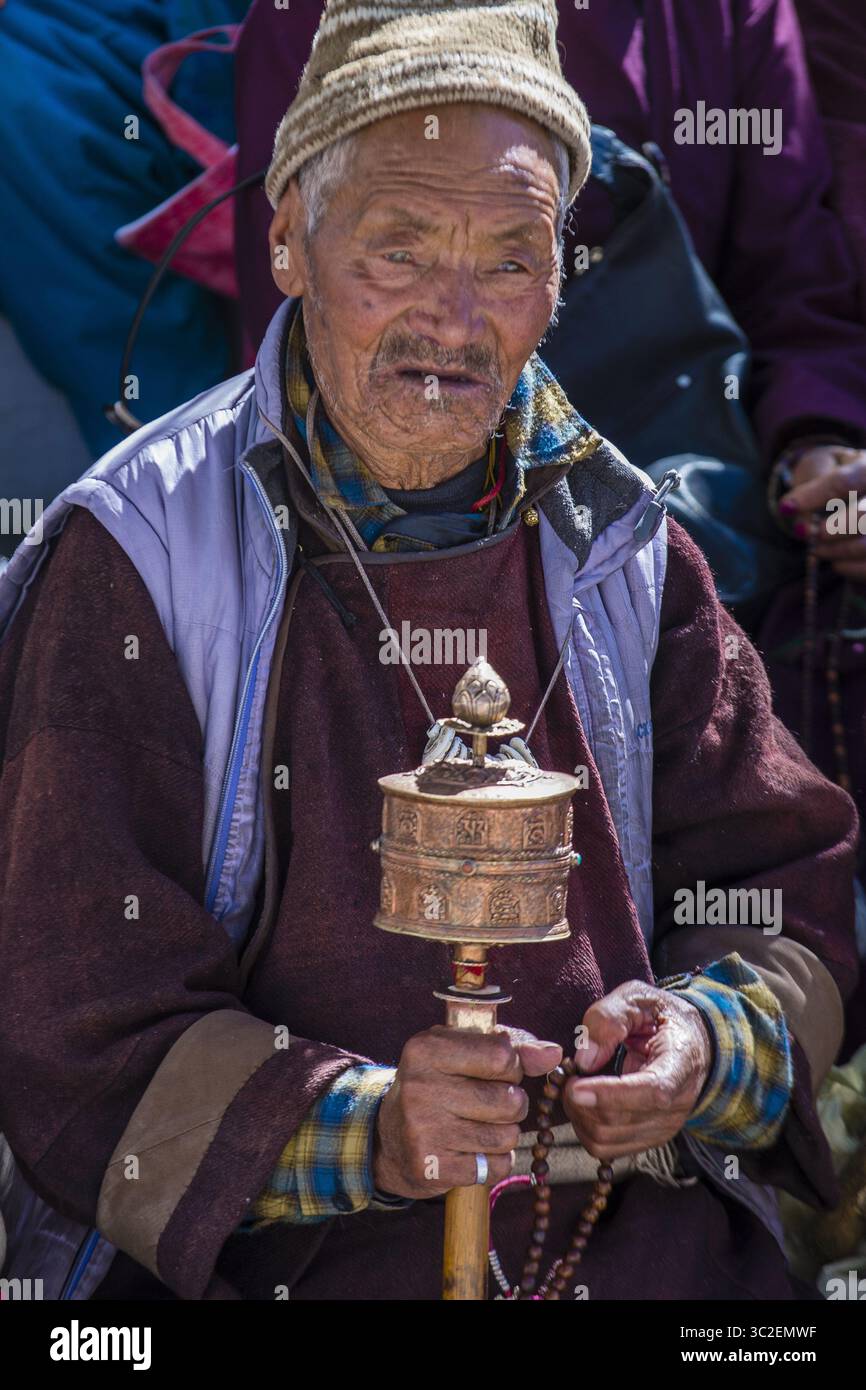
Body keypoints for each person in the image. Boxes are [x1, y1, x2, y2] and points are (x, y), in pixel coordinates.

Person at [0, 0, 858, 1302]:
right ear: (286, 237)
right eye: (397, 251)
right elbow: (75, 1019)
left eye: (511, 261)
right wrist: (376, 1130)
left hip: (617, 1256)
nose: (455, 323)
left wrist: (701, 1040)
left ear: (564, 278)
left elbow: (783, 892)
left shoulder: (625, 545)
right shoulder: (136, 556)